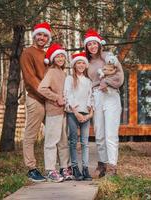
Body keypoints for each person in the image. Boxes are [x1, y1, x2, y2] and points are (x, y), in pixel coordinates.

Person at [84, 29, 124, 177]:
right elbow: (87, 83)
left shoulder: (108, 57)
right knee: (99, 134)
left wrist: (106, 81)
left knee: (110, 134)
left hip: (111, 96)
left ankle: (112, 168)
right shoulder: (88, 63)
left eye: (94, 43)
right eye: (89, 44)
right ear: (86, 47)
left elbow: (120, 77)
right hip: (97, 97)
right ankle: (102, 165)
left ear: (99, 44)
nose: (92, 46)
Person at [20, 22, 51, 182]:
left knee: (54, 133)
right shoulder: (27, 53)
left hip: (48, 100)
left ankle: (54, 168)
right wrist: (48, 95)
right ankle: (31, 169)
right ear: (34, 35)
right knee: (31, 134)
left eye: (45, 35)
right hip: (36, 99)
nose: (42, 38)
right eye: (40, 34)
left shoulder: (46, 55)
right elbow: (30, 79)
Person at [38, 44, 72, 182]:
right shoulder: (51, 72)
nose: (60, 58)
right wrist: (56, 97)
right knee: (51, 141)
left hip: (63, 112)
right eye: (57, 56)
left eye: (62, 56)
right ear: (53, 58)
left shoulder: (63, 73)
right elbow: (42, 89)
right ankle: (51, 170)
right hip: (53, 111)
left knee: (63, 141)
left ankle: (64, 168)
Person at [64, 51, 93, 181]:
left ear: (85, 65)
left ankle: (85, 168)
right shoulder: (69, 79)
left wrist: (89, 113)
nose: (80, 65)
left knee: (85, 142)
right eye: (78, 63)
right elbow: (68, 95)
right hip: (73, 113)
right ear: (74, 65)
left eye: (83, 63)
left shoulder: (88, 81)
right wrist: (76, 112)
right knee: (73, 140)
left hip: (86, 114)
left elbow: (90, 97)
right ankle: (75, 167)